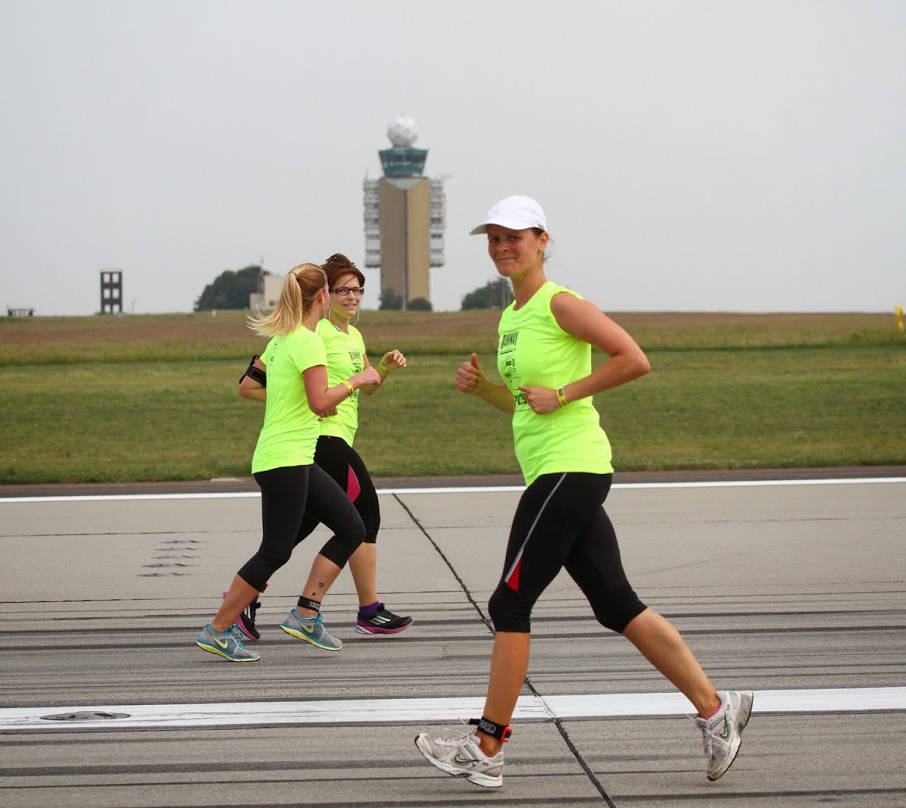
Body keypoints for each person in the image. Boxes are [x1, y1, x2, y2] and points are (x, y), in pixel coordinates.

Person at [414, 196, 752, 787]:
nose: (501, 247)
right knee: (616, 605)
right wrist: (484, 389)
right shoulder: (511, 318)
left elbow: (634, 359)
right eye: (492, 238)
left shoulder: (561, 304)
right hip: (555, 470)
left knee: (508, 604)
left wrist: (568, 393)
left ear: (543, 241)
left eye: (513, 236)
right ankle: (717, 712)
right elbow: (525, 404)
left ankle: (487, 746)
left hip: (571, 469)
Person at [195, 263, 382, 662]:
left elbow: (259, 388)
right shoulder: (308, 342)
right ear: (323, 297)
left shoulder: (281, 340)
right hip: (286, 459)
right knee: (275, 551)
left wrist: (321, 402)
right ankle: (219, 628)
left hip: (293, 457)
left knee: (352, 527)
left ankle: (304, 614)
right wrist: (357, 381)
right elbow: (320, 401)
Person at [235, 253, 413, 641]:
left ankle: (244, 598)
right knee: (363, 521)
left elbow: (368, 384)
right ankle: (365, 609)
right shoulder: (314, 335)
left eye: (358, 289)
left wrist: (382, 367)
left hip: (334, 440)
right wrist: (299, 399)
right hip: (324, 441)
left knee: (292, 533)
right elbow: (250, 385)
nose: (353, 296)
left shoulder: (354, 336)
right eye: (343, 290)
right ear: (325, 296)